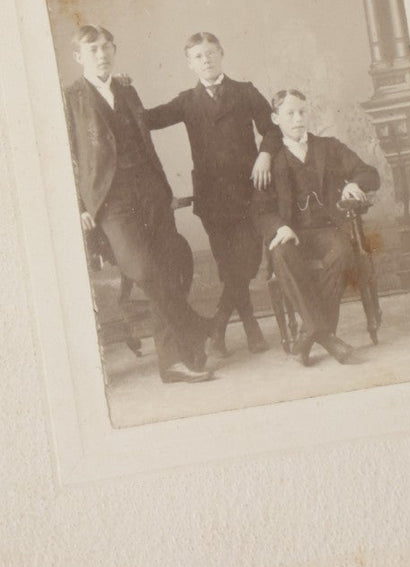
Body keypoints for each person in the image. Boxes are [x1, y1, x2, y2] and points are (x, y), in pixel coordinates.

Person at [63, 25, 211, 383]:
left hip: (150, 193)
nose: (102, 54)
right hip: (110, 201)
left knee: (170, 262)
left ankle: (173, 361)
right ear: (78, 57)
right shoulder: (70, 98)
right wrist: (80, 205)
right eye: (93, 49)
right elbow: (65, 155)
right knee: (144, 270)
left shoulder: (127, 89)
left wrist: (163, 191)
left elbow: (144, 141)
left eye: (106, 47)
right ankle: (195, 326)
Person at [146, 32, 280, 356]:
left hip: (249, 193)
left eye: (210, 53)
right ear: (190, 64)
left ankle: (218, 325)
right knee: (228, 265)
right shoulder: (186, 102)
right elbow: (147, 119)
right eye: (198, 56)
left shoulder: (245, 92)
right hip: (213, 199)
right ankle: (250, 326)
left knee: (246, 263)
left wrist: (265, 154)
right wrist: (121, 92)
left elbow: (272, 129)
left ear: (222, 53)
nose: (206, 60)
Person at [254, 90, 381, 366]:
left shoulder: (329, 147)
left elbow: (370, 173)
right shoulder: (269, 160)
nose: (298, 119)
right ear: (276, 118)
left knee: (342, 250)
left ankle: (309, 333)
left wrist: (354, 183)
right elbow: (260, 209)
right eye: (290, 113)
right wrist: (279, 227)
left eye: (302, 112)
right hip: (291, 232)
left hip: (326, 229)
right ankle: (327, 337)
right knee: (281, 255)